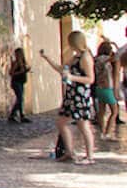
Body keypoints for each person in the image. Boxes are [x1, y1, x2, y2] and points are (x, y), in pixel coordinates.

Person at [41, 30, 96, 164]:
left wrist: (72, 77)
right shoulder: (75, 57)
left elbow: (90, 79)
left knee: (83, 125)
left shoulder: (85, 57)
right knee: (61, 123)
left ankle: (90, 157)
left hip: (80, 96)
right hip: (71, 95)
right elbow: (62, 69)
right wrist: (47, 58)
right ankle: (69, 152)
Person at [93, 42, 118, 139]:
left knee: (101, 112)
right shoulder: (106, 59)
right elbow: (116, 58)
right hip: (108, 88)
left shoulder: (96, 59)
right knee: (114, 112)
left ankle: (102, 131)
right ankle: (108, 132)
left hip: (99, 88)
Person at [7, 47, 31, 123]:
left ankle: (20, 115)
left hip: (21, 82)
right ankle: (14, 115)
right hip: (16, 82)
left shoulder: (22, 62)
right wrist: (21, 72)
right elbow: (11, 73)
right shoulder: (16, 63)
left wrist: (26, 70)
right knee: (20, 99)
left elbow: (24, 70)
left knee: (20, 99)